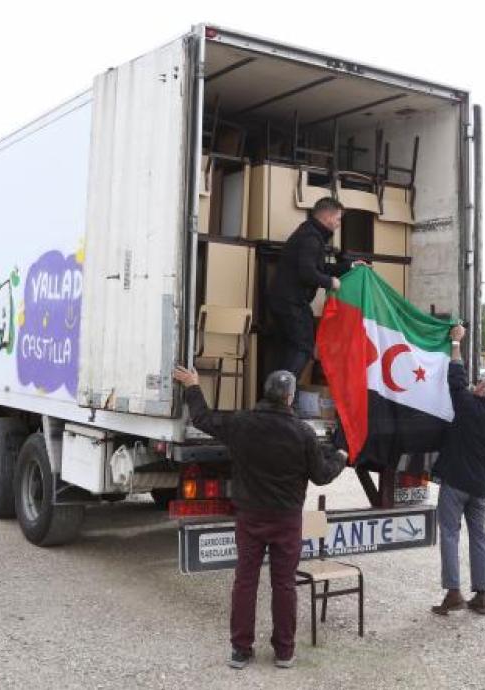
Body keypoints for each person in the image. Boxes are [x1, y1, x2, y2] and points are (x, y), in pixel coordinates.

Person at [172, 365, 348, 670]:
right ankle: (284, 652)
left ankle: (240, 650)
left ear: (265, 394)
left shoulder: (242, 423)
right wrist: (340, 458)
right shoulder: (303, 433)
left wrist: (193, 385)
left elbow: (203, 418)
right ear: (290, 397)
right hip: (286, 520)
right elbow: (321, 476)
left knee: (245, 581)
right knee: (284, 585)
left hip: (250, 517)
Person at [430, 323, 485, 617]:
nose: (474, 384)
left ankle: (453, 592)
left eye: (479, 382)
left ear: (480, 391)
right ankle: (482, 595)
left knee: (450, 534)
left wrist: (455, 343)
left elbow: (456, 377)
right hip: (481, 489)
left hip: (455, 483)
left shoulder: (468, 406)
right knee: (480, 536)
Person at [267, 196, 359, 379]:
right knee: (303, 347)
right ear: (327, 216)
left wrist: (350, 267)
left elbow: (320, 268)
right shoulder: (311, 237)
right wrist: (330, 282)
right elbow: (308, 273)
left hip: (287, 301)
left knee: (289, 349)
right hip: (291, 302)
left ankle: (276, 396)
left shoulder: (310, 233)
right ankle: (282, 397)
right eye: (338, 218)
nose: (339, 224)